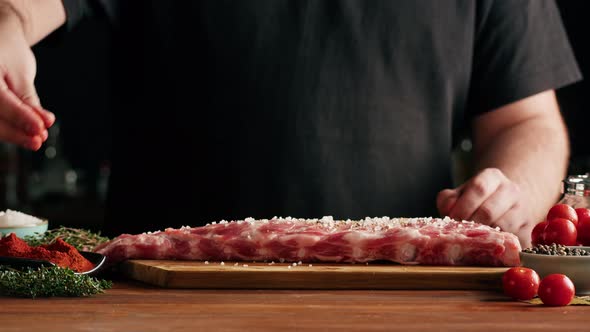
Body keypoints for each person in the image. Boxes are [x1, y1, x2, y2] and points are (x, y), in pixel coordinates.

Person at [0, 0, 581, 247]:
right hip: (163, 300)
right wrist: (6, 28)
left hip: (407, 299)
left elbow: (529, 119)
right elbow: (24, 7)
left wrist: (514, 191)